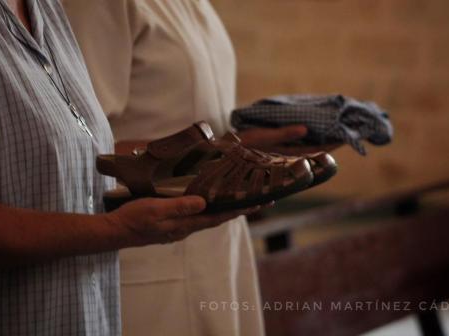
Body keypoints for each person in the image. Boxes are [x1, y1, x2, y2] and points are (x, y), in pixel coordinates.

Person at [0, 0, 258, 335]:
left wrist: (240, 151)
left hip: (88, 314)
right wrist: (118, 230)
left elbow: (92, 153)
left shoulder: (46, 9)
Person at [63, 1, 335, 335]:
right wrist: (217, 155)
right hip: (152, 258)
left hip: (221, 249)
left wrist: (249, 147)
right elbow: (77, 145)